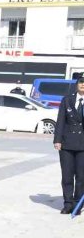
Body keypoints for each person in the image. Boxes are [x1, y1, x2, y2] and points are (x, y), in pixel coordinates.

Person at [53, 76, 84, 215]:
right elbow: (60, 121)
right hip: (67, 143)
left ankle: (77, 204)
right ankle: (68, 204)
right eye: (81, 82)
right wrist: (57, 140)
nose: (83, 85)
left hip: (83, 144)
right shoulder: (67, 100)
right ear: (77, 84)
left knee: (81, 177)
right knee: (67, 176)